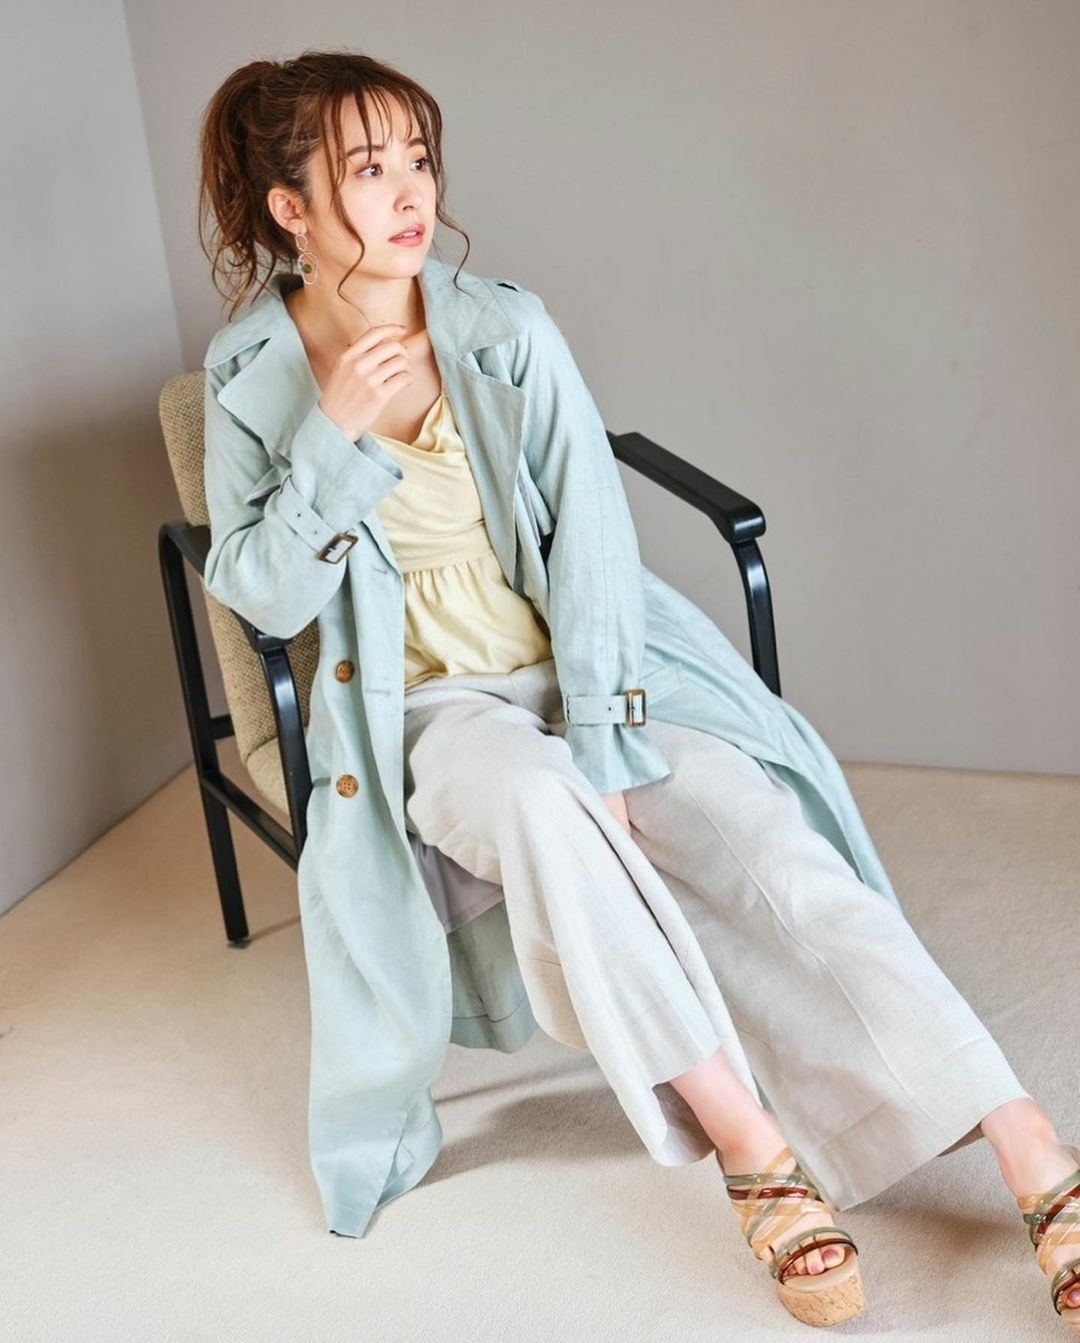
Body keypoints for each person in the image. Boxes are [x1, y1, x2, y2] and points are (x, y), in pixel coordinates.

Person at [196, 50, 1080, 1330]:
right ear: (291, 207)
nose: (411, 194)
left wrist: (607, 731)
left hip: (590, 662)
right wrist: (330, 432)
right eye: (369, 169)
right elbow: (261, 598)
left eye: (419, 160)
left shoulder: (505, 328)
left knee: (760, 837)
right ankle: (755, 1153)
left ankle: (1029, 1144)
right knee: (542, 805)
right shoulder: (247, 378)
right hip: (427, 709)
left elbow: (594, 542)